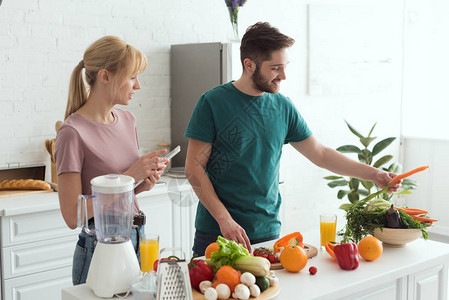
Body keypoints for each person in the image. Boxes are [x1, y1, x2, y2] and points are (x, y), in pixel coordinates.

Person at [184, 22, 401, 256]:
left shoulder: (282, 106)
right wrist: (224, 220)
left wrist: (375, 174)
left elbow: (320, 154)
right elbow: (194, 169)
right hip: (217, 231)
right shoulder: (213, 102)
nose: (284, 76)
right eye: (276, 68)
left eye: (285, 66)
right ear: (249, 65)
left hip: (267, 231)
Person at [55, 36, 169, 285]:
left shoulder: (128, 121)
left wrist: (143, 182)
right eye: (132, 77)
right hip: (100, 247)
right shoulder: (71, 133)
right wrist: (130, 176)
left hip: (138, 236)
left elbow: (122, 193)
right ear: (105, 77)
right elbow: (72, 216)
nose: (137, 85)